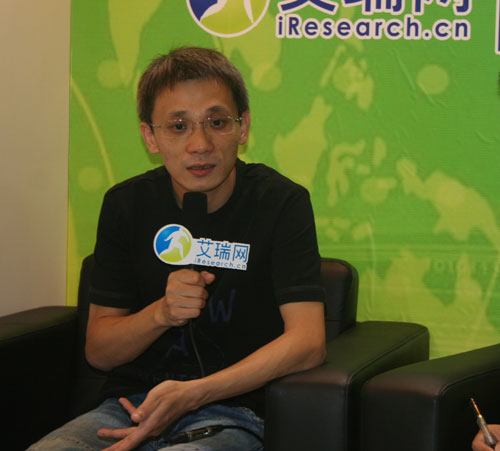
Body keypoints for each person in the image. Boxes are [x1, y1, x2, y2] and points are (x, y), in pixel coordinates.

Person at [28, 46, 326, 451]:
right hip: (127, 407)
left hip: (231, 412)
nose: (200, 144)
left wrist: (195, 393)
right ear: (150, 136)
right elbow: (99, 351)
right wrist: (161, 313)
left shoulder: (280, 202)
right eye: (178, 126)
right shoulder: (126, 205)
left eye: (217, 122)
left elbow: (308, 341)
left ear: (243, 128)